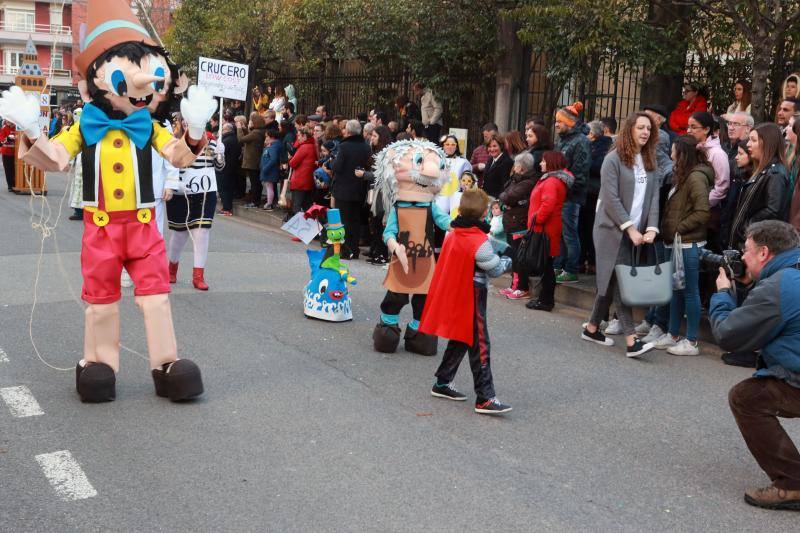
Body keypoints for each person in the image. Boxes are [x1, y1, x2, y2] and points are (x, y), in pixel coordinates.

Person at [710, 220, 800, 511]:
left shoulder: (780, 286)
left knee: (747, 397)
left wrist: (724, 293)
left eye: (746, 250)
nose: (742, 257)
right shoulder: (790, 275)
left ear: (764, 253)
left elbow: (729, 334)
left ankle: (792, 484)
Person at [420, 188, 513, 415]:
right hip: (472, 293)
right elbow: (495, 269)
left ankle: (443, 381)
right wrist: (508, 260)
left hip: (458, 291)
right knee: (480, 343)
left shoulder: (454, 233)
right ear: (482, 213)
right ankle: (485, 397)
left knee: (462, 337)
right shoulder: (478, 240)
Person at [581, 112, 660, 358]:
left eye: (648, 128)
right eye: (640, 127)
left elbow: (654, 197)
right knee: (622, 281)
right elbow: (611, 199)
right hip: (611, 230)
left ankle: (592, 328)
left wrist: (652, 227)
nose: (645, 132)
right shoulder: (613, 159)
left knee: (610, 280)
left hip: (635, 233)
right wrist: (631, 228)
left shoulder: (649, 160)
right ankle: (631, 340)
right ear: (629, 130)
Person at [650, 135, 714, 355]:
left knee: (689, 291)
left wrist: (679, 228)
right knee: (677, 290)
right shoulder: (683, 174)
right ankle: (673, 333)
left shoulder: (695, 177)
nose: (670, 153)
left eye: (673, 149)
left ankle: (692, 340)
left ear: (682, 153)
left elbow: (703, 211)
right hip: (677, 243)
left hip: (687, 244)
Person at [166, 124, 226, 291]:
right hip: (181, 193)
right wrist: (174, 183)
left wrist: (220, 155)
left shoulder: (212, 142)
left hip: (205, 192)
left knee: (202, 231)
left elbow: (220, 168)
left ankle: (198, 276)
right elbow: (170, 165)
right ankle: (172, 268)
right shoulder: (176, 141)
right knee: (179, 234)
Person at [727, 123, 791, 253]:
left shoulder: (775, 174)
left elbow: (773, 210)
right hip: (749, 243)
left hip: (757, 246)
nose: (748, 144)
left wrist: (746, 227)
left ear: (767, 143)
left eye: (753, 140)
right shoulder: (763, 170)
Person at [526, 151, 574, 311]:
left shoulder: (552, 181)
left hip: (545, 228)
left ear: (551, 163)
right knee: (546, 265)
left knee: (546, 266)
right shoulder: (552, 180)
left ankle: (546, 301)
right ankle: (544, 299)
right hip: (547, 227)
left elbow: (548, 205)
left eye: (543, 161)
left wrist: (536, 219)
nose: (541, 163)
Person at [553, 101, 591, 284]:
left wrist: (564, 187)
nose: (556, 125)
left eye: (559, 121)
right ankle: (558, 265)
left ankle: (571, 269)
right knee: (560, 232)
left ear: (569, 123)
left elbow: (580, 172)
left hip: (571, 196)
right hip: (560, 193)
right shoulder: (563, 140)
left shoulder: (581, 141)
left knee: (569, 233)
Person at [498, 152, 538, 299]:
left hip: (519, 222)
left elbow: (508, 196)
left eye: (516, 164)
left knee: (519, 257)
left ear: (521, 167)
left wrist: (506, 200)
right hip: (512, 221)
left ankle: (522, 287)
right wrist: (505, 201)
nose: (514, 167)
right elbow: (504, 195)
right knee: (515, 256)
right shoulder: (516, 179)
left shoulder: (528, 182)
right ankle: (514, 285)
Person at [332, 119, 372, 259]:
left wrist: (332, 162)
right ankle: (354, 250)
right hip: (359, 187)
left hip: (343, 188)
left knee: (344, 220)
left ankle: (345, 250)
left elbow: (338, 166)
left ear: (348, 131)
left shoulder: (344, 146)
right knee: (355, 220)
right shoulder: (366, 147)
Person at [582, 120, 613, 274]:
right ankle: (584, 261)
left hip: (594, 193)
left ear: (592, 134)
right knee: (584, 229)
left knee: (591, 229)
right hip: (587, 192)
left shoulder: (604, 147)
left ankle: (593, 262)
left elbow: (598, 167)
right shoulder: (591, 146)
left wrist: (585, 162)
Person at [237, 112, 266, 208]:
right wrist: (245, 129)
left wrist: (239, 128)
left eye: (251, 121)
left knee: (254, 183)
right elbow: (248, 138)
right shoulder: (258, 132)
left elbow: (241, 139)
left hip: (252, 161)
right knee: (256, 182)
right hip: (255, 160)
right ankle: (256, 200)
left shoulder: (256, 133)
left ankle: (255, 202)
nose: (249, 122)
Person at [287, 125, 317, 216]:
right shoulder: (313, 146)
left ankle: (298, 224)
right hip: (308, 181)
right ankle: (313, 223)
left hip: (300, 181)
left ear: (304, 136)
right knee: (307, 205)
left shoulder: (304, 147)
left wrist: (290, 158)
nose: (298, 138)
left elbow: (292, 163)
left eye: (299, 136)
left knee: (296, 206)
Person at [218, 122, 241, 216]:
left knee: (223, 188)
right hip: (233, 167)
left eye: (223, 129)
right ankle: (227, 207)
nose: (221, 131)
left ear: (227, 130)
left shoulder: (226, 141)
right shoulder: (235, 139)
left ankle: (226, 208)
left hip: (225, 167)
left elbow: (220, 154)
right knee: (229, 188)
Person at [481, 133, 513, 198]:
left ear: (501, 146)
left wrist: (498, 201)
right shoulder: (490, 160)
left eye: (494, 146)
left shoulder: (506, 162)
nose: (492, 149)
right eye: (489, 147)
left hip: (496, 200)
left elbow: (505, 185)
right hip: (486, 198)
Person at [258, 128, 281, 211]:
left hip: (269, 171)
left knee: (269, 187)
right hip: (269, 170)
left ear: (272, 137)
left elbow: (273, 159)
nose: (266, 138)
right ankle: (269, 203)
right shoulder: (272, 146)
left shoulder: (273, 147)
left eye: (267, 136)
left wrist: (265, 168)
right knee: (269, 187)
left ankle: (269, 204)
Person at [0, 120, 16, 191]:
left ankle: (15, 184)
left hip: (15, 153)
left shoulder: (17, 128)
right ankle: (10, 185)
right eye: (7, 120)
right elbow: (1, 141)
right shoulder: (4, 128)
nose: (8, 121)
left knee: (15, 169)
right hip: (6, 153)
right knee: (8, 169)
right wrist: (7, 139)